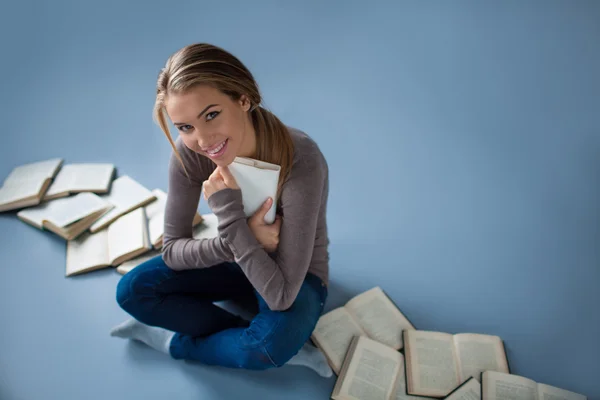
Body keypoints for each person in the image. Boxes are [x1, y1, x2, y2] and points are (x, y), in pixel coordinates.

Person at [110, 43, 332, 377]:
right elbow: (173, 251)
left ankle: (177, 343)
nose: (203, 140)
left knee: (266, 346)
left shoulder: (300, 156)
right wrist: (239, 238)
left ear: (243, 98)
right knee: (132, 290)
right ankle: (246, 335)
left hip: (296, 276)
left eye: (211, 115)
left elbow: (281, 295)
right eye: (185, 127)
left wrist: (228, 215)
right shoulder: (190, 154)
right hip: (232, 260)